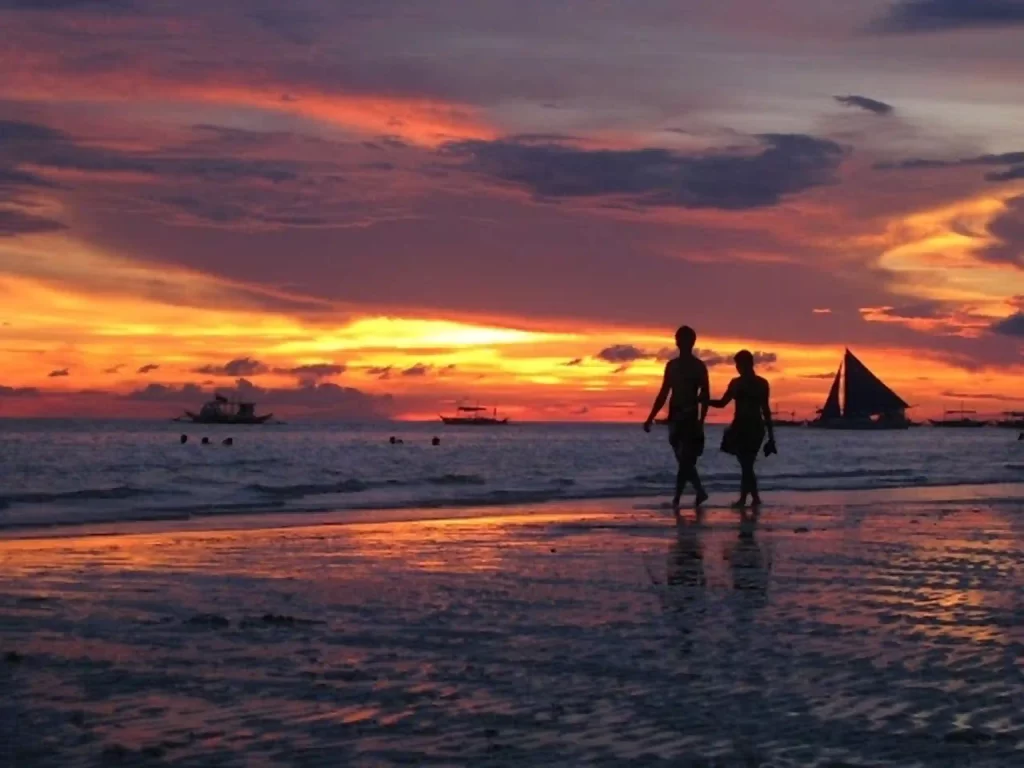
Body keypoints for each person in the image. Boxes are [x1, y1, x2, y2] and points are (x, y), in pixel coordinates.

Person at [643, 325, 710, 511]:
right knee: (682, 460)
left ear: (692, 342)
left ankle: (679, 499)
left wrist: (701, 422)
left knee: (685, 459)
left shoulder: (699, 367)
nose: (680, 342)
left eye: (684, 339)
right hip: (674, 417)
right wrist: (651, 417)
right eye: (678, 338)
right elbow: (664, 392)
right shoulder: (671, 366)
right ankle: (694, 494)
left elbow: (705, 396)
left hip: (690, 417)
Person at [709, 350, 776, 508]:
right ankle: (753, 498)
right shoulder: (742, 383)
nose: (738, 368)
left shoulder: (758, 383)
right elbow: (722, 403)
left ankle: (747, 499)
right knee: (747, 464)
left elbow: (765, 410)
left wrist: (772, 437)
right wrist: (705, 401)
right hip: (741, 426)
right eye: (737, 365)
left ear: (749, 364)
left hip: (752, 427)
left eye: (739, 364)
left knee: (747, 464)